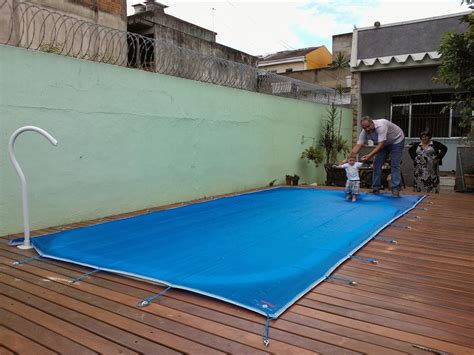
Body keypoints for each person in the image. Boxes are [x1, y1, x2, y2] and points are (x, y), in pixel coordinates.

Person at [348, 116, 405, 197]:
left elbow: (381, 145)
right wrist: (347, 159)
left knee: (395, 164)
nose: (367, 129)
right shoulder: (364, 132)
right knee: (376, 164)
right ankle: (376, 188)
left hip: (397, 140)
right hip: (384, 143)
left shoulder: (381, 125)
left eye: (368, 126)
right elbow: (358, 146)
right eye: (364, 128)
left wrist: (369, 156)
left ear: (372, 122)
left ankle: (395, 189)